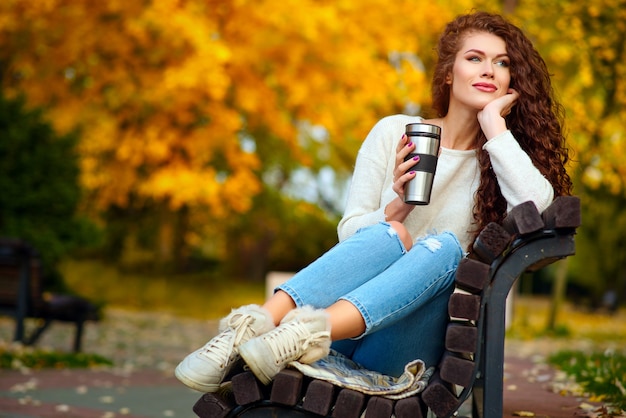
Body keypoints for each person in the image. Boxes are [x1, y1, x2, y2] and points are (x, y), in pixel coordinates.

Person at [175, 11, 572, 392]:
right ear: (448, 74)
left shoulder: (502, 159)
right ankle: (252, 327)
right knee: (392, 232)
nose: (489, 70)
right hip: (338, 333)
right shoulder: (393, 133)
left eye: (501, 63)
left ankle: (301, 330)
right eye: (475, 58)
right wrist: (398, 205)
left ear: (511, 83)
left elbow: (535, 207)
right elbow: (349, 235)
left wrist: (494, 127)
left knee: (445, 248)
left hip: (405, 341)